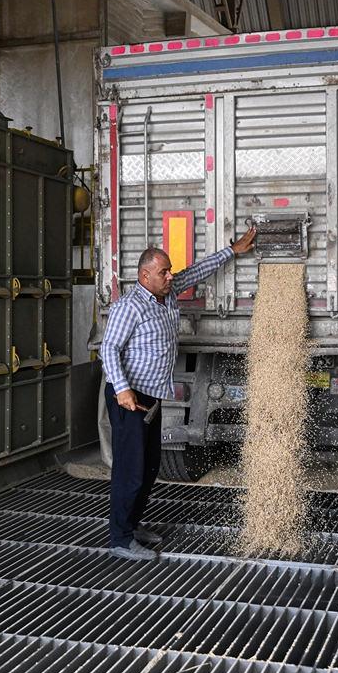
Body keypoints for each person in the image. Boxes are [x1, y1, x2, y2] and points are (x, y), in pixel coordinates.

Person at [100, 226, 258, 560]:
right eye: (163, 272)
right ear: (145, 276)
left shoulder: (166, 293)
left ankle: (133, 523)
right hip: (129, 397)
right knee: (130, 469)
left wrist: (233, 251)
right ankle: (120, 538)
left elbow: (195, 272)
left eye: (169, 270)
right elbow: (109, 348)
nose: (171, 276)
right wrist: (123, 389)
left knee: (150, 466)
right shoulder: (130, 306)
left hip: (151, 397)